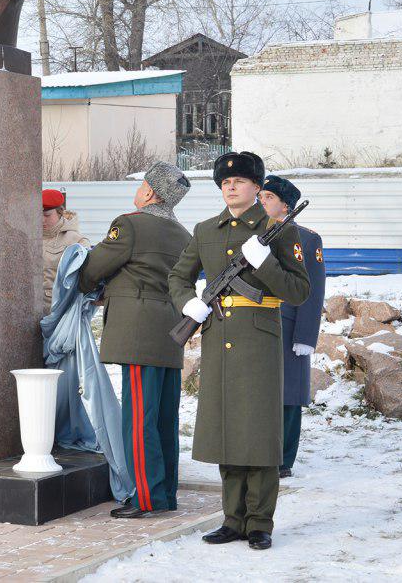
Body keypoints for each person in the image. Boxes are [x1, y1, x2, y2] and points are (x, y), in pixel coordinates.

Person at [169, 152, 310, 550]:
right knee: (226, 430)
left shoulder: (276, 229)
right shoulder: (205, 229)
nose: (231, 186)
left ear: (256, 188)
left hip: (259, 341)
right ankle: (232, 518)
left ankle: (260, 521)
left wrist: (264, 263)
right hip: (218, 336)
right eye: (225, 182)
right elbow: (179, 276)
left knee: (259, 433)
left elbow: (299, 290)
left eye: (241, 181)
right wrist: (188, 303)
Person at [77, 163, 192, 519]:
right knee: (163, 420)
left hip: (138, 332)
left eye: (143, 184)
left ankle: (145, 497)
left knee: (140, 419)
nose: (139, 188)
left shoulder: (129, 224)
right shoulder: (183, 234)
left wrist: (93, 286)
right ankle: (164, 493)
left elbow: (93, 269)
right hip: (171, 331)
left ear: (151, 193)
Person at [260, 175, 326, 478]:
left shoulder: (307, 238)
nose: (262, 202)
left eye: (269, 197)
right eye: (260, 196)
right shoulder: (253, 234)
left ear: (286, 204)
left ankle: (283, 459)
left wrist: (305, 336)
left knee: (287, 394)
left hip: (288, 325)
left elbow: (312, 290)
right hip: (255, 321)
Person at [42, 189, 89, 308]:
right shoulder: (26, 237)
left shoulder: (77, 241)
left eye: (47, 215)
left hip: (57, 311)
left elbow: (84, 280)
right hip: (25, 310)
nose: (42, 220)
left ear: (60, 213)